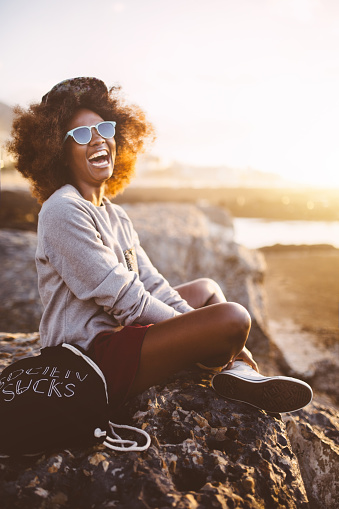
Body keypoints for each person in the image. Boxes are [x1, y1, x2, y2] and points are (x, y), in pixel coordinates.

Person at [7, 77, 312, 415]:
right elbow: (128, 301)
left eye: (104, 129)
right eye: (81, 135)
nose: (98, 140)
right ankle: (236, 365)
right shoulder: (62, 210)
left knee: (208, 290)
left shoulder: (116, 215)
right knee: (233, 318)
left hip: (121, 335)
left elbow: (152, 284)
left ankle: (237, 370)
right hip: (89, 358)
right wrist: (205, 333)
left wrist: (193, 325)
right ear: (59, 152)